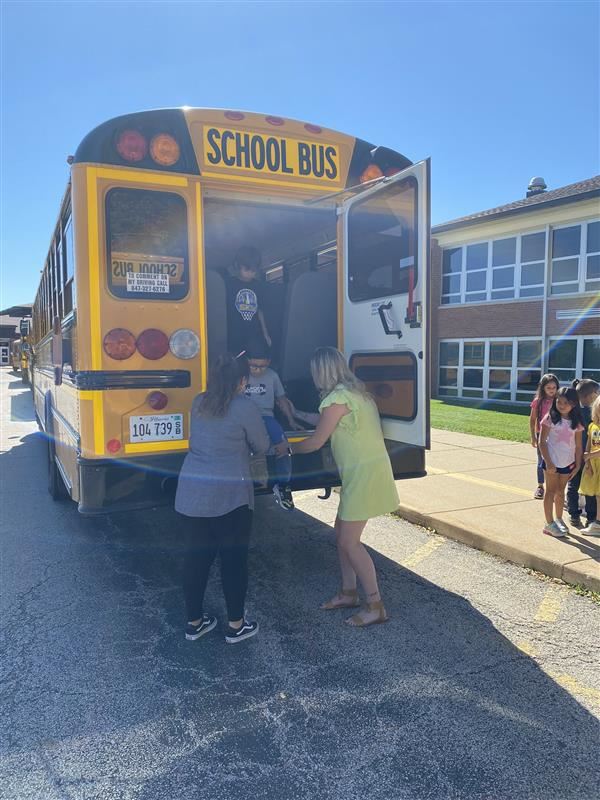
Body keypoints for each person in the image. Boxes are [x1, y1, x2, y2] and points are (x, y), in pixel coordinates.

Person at [290, 347, 399, 627]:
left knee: (349, 542)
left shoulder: (337, 399)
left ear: (322, 371)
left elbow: (315, 441)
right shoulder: (355, 395)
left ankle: (375, 605)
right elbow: (325, 420)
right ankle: (348, 593)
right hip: (366, 472)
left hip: (363, 476)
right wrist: (296, 413)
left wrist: (286, 450)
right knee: (342, 536)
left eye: (315, 371)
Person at [174, 353, 270, 644]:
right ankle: (236, 626)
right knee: (233, 561)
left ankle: (194, 623)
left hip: (191, 492)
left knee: (196, 560)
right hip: (231, 496)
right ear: (242, 381)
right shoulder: (244, 406)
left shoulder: (198, 402)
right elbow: (262, 445)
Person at [245, 340, 299, 511]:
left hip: (267, 416)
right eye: (254, 366)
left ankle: (283, 486)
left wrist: (291, 421)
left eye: (262, 366)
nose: (258, 370)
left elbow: (281, 400)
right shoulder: (240, 375)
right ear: (247, 361)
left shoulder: (273, 376)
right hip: (244, 417)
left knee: (283, 445)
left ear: (268, 362)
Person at [538, 386, 584, 538]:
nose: (562, 405)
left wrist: (577, 464)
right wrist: (548, 462)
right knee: (550, 491)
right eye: (559, 401)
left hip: (567, 463)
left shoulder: (576, 422)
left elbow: (578, 446)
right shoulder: (550, 418)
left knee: (560, 491)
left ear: (574, 404)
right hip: (551, 461)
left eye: (566, 402)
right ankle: (549, 523)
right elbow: (542, 442)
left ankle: (558, 519)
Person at [226, 245, 272, 354]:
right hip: (234, 333)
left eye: (254, 270)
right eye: (247, 269)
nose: (251, 273)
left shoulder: (258, 286)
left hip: (253, 334)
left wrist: (265, 334)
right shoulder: (229, 284)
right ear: (238, 265)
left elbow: (260, 311)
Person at [567, 379, 599, 528]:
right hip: (589, 456)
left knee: (573, 484)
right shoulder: (593, 413)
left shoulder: (572, 411)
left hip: (576, 454)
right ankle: (591, 518)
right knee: (590, 488)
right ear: (590, 395)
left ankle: (574, 515)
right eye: (597, 393)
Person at [529, 374, 559, 499]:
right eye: (548, 387)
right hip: (541, 434)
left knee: (556, 460)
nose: (552, 390)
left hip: (557, 435)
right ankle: (541, 486)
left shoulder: (560, 400)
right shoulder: (538, 401)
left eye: (554, 387)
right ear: (543, 388)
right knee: (541, 461)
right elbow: (532, 419)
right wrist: (533, 436)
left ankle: (556, 488)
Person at [579, 395, 600, 536]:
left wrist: (589, 456)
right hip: (593, 465)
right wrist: (587, 462)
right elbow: (588, 444)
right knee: (596, 495)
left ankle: (597, 523)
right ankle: (597, 523)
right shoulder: (592, 425)